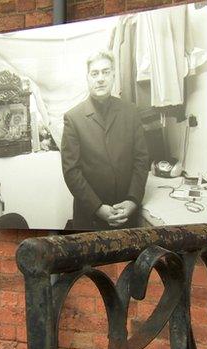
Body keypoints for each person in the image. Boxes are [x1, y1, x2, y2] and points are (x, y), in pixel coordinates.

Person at [61, 50, 149, 230]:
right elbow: (71, 172)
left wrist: (133, 201)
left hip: (127, 215)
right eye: (95, 73)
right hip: (90, 217)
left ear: (114, 75)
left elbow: (142, 161)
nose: (100, 78)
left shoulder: (131, 112)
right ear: (88, 78)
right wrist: (98, 208)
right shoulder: (73, 118)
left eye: (106, 72)